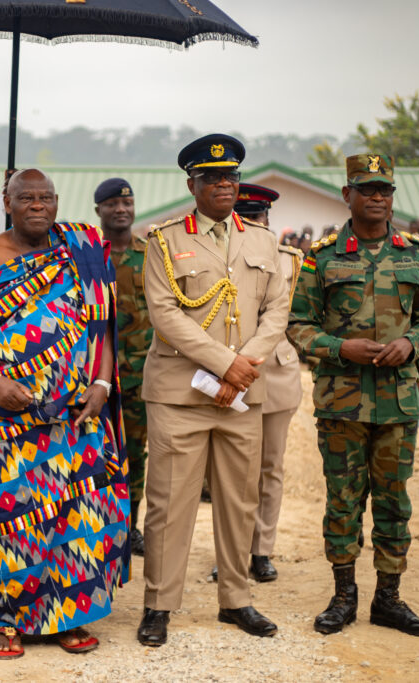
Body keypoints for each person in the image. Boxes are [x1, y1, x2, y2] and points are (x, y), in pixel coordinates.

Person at [0, 169, 130, 659]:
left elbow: (102, 327)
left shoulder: (80, 250)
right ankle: (4, 620)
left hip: (73, 417)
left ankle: (67, 617)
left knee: (75, 519)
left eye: (46, 197)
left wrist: (101, 383)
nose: (37, 205)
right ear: (7, 203)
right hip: (4, 419)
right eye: (26, 197)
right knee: (11, 519)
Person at [137, 134, 288, 645]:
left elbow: (276, 312)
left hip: (243, 395)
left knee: (239, 501)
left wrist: (241, 369)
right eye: (213, 178)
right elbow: (164, 315)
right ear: (192, 184)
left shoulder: (264, 242)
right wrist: (228, 364)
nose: (225, 184)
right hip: (181, 393)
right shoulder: (163, 240)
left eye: (231, 177)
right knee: (168, 501)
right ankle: (159, 603)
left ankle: (237, 599)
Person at [287, 154, 419, 637]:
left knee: (394, 501)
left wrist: (412, 347)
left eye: (386, 189)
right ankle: (343, 597)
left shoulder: (416, 254)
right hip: (343, 402)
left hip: (397, 403)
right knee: (344, 501)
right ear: (346, 194)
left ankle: (389, 600)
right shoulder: (323, 255)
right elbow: (298, 327)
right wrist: (341, 348)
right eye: (367, 187)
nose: (378, 196)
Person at [233, 183, 303, 583]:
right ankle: (233, 549)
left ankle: (261, 550)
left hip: (275, 371)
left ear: (268, 220)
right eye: (245, 217)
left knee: (270, 467)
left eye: (258, 217)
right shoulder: (218, 254)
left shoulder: (291, 260)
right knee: (231, 470)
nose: (253, 224)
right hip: (223, 370)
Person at [94, 177, 149, 556]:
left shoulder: (152, 256)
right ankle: (97, 524)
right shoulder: (85, 256)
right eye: (112, 203)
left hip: (143, 376)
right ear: (98, 210)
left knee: (136, 454)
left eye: (126, 203)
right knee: (95, 451)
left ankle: (129, 526)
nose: (120, 210)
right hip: (95, 376)